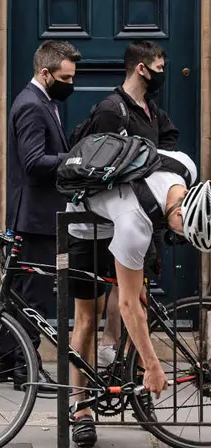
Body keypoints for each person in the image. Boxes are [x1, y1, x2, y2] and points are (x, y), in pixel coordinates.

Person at [66, 150, 205, 447]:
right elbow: (126, 305)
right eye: (186, 235)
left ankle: (141, 396)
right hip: (86, 227)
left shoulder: (185, 167)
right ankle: (81, 410)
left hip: (135, 215)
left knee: (141, 306)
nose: (182, 241)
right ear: (179, 214)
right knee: (88, 319)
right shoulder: (134, 225)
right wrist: (155, 365)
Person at [81, 40, 179, 367]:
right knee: (113, 290)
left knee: (138, 293)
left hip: (144, 213)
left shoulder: (154, 112)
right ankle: (111, 351)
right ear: (142, 68)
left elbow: (169, 152)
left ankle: (132, 365)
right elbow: (102, 162)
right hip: (112, 215)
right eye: (160, 68)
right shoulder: (112, 110)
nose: (162, 75)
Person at [0, 40, 81, 394]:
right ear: (45, 73)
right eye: (66, 77)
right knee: (35, 296)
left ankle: (4, 362)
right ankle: (26, 370)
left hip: (35, 214)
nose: (70, 85)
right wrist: (72, 161)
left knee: (20, 291)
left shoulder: (41, 101)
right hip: (37, 217)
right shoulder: (31, 105)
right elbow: (33, 162)